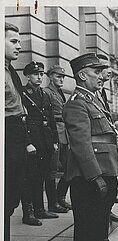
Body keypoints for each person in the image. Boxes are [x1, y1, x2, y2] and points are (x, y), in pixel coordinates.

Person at [63, 52, 118, 241]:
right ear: (82, 75)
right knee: (87, 225)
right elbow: (82, 144)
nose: (101, 76)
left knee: (97, 223)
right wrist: (96, 177)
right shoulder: (77, 103)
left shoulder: (93, 99)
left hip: (102, 170)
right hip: (89, 175)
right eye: (96, 72)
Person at [5, 22, 36, 241]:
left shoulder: (9, 71)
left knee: (8, 203)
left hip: (15, 134)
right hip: (6, 134)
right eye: (13, 40)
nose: (19, 45)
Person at [96, 54, 118, 241]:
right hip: (98, 160)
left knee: (107, 199)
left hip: (108, 155)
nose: (107, 71)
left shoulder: (101, 93)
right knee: (97, 206)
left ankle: (103, 240)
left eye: (106, 67)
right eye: (102, 68)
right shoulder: (87, 97)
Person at [21, 61, 59, 222]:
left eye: (41, 74)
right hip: (33, 140)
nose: (39, 77)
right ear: (28, 76)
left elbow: (51, 119)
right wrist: (27, 142)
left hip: (45, 140)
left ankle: (40, 209)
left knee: (41, 176)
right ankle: (28, 212)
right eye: (36, 74)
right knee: (29, 177)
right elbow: (21, 121)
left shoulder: (44, 94)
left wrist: (55, 140)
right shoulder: (23, 93)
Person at [44, 65, 71, 213]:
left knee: (69, 168)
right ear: (51, 77)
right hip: (54, 134)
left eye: (63, 77)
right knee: (51, 171)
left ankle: (60, 197)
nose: (61, 79)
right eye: (58, 76)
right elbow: (48, 115)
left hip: (64, 135)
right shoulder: (46, 92)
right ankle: (53, 203)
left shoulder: (60, 93)